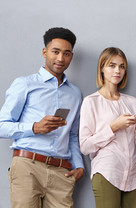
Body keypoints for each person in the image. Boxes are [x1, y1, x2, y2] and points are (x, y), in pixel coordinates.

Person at [0, 27, 85, 208]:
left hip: (61, 172)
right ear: (45, 52)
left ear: (72, 56)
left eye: (67, 53)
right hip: (27, 167)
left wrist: (79, 166)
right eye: (55, 52)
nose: (60, 58)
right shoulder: (25, 84)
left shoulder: (75, 94)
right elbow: (1, 126)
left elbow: (72, 135)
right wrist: (34, 127)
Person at [79, 47, 136, 208]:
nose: (117, 70)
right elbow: (85, 146)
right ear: (102, 68)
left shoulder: (132, 102)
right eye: (112, 65)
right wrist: (113, 127)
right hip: (107, 172)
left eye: (122, 66)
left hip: (133, 175)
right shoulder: (91, 101)